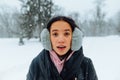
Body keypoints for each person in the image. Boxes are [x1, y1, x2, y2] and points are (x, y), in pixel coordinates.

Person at [26, 16, 98, 80]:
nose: (61, 40)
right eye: (55, 34)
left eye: (66, 34)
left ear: (74, 37)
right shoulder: (36, 64)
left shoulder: (86, 65)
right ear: (47, 38)